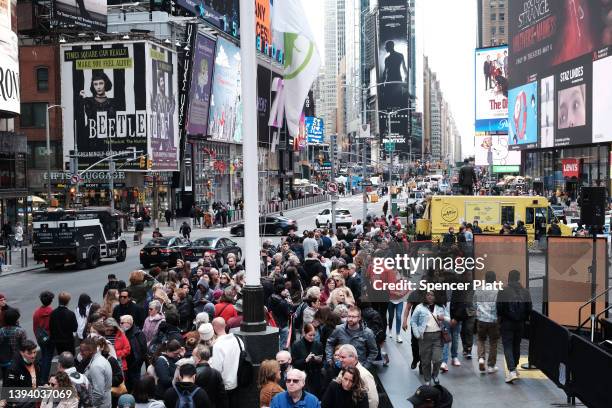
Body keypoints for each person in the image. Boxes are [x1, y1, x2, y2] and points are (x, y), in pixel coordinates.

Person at [496, 269, 532, 383]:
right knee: (517, 345)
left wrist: (501, 319)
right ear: (518, 278)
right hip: (520, 323)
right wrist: (524, 319)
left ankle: (511, 371)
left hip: (507, 322)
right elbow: (529, 308)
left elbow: (499, 308)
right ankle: (515, 368)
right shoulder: (526, 292)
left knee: (507, 346)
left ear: (509, 278)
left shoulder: (503, 291)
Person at [410, 291, 450, 386]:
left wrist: (443, 318)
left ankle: (435, 375)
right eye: (428, 295)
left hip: (437, 336)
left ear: (435, 296)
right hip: (424, 337)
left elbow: (449, 318)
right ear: (425, 296)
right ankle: (427, 379)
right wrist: (417, 334)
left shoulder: (441, 307)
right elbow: (413, 321)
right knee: (425, 360)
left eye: (432, 295)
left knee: (438, 359)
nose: (430, 297)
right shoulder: (419, 307)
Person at [325, 306, 378, 371]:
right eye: (349, 316)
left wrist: (365, 367)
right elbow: (330, 343)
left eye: (353, 317)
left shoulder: (367, 333)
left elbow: (373, 351)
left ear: (359, 318)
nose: (350, 319)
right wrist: (329, 359)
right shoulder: (339, 329)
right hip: (341, 368)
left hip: (359, 368)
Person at [209, 317, 243, 408]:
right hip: (239, 380)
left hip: (225, 385)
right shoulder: (238, 339)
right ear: (225, 325)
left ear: (214, 328)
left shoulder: (217, 345)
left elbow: (216, 369)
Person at [474, 271, 500, 374]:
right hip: (493, 320)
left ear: (485, 279)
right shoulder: (497, 291)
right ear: (494, 279)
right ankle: (491, 366)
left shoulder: (479, 289)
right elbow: (498, 306)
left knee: (481, 339)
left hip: (481, 319)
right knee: (493, 342)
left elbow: (474, 303)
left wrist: (477, 314)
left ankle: (481, 358)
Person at [290, 324, 323, 397]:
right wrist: (305, 360)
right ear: (304, 333)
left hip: (315, 376)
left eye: (314, 335)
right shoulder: (296, 345)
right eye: (310, 335)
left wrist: (317, 359)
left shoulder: (318, 344)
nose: (312, 337)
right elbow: (294, 363)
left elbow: (322, 362)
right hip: (303, 376)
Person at [79, 337, 112, 408]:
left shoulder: (96, 366)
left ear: (90, 351)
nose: (80, 353)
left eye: (82, 351)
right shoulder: (98, 359)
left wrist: (91, 405)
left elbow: (98, 393)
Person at [120, 315, 147, 392]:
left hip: (134, 365)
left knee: (135, 385)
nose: (120, 325)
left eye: (122, 323)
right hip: (124, 364)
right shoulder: (122, 333)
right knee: (126, 385)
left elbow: (143, 351)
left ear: (129, 323)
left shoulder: (138, 334)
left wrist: (138, 363)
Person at [33, 291, 55, 384]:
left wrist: (38, 338)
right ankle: (44, 379)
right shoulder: (52, 312)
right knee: (48, 358)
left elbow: (35, 327)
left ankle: (41, 374)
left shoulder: (37, 313)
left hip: (41, 338)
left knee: (44, 355)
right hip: (50, 338)